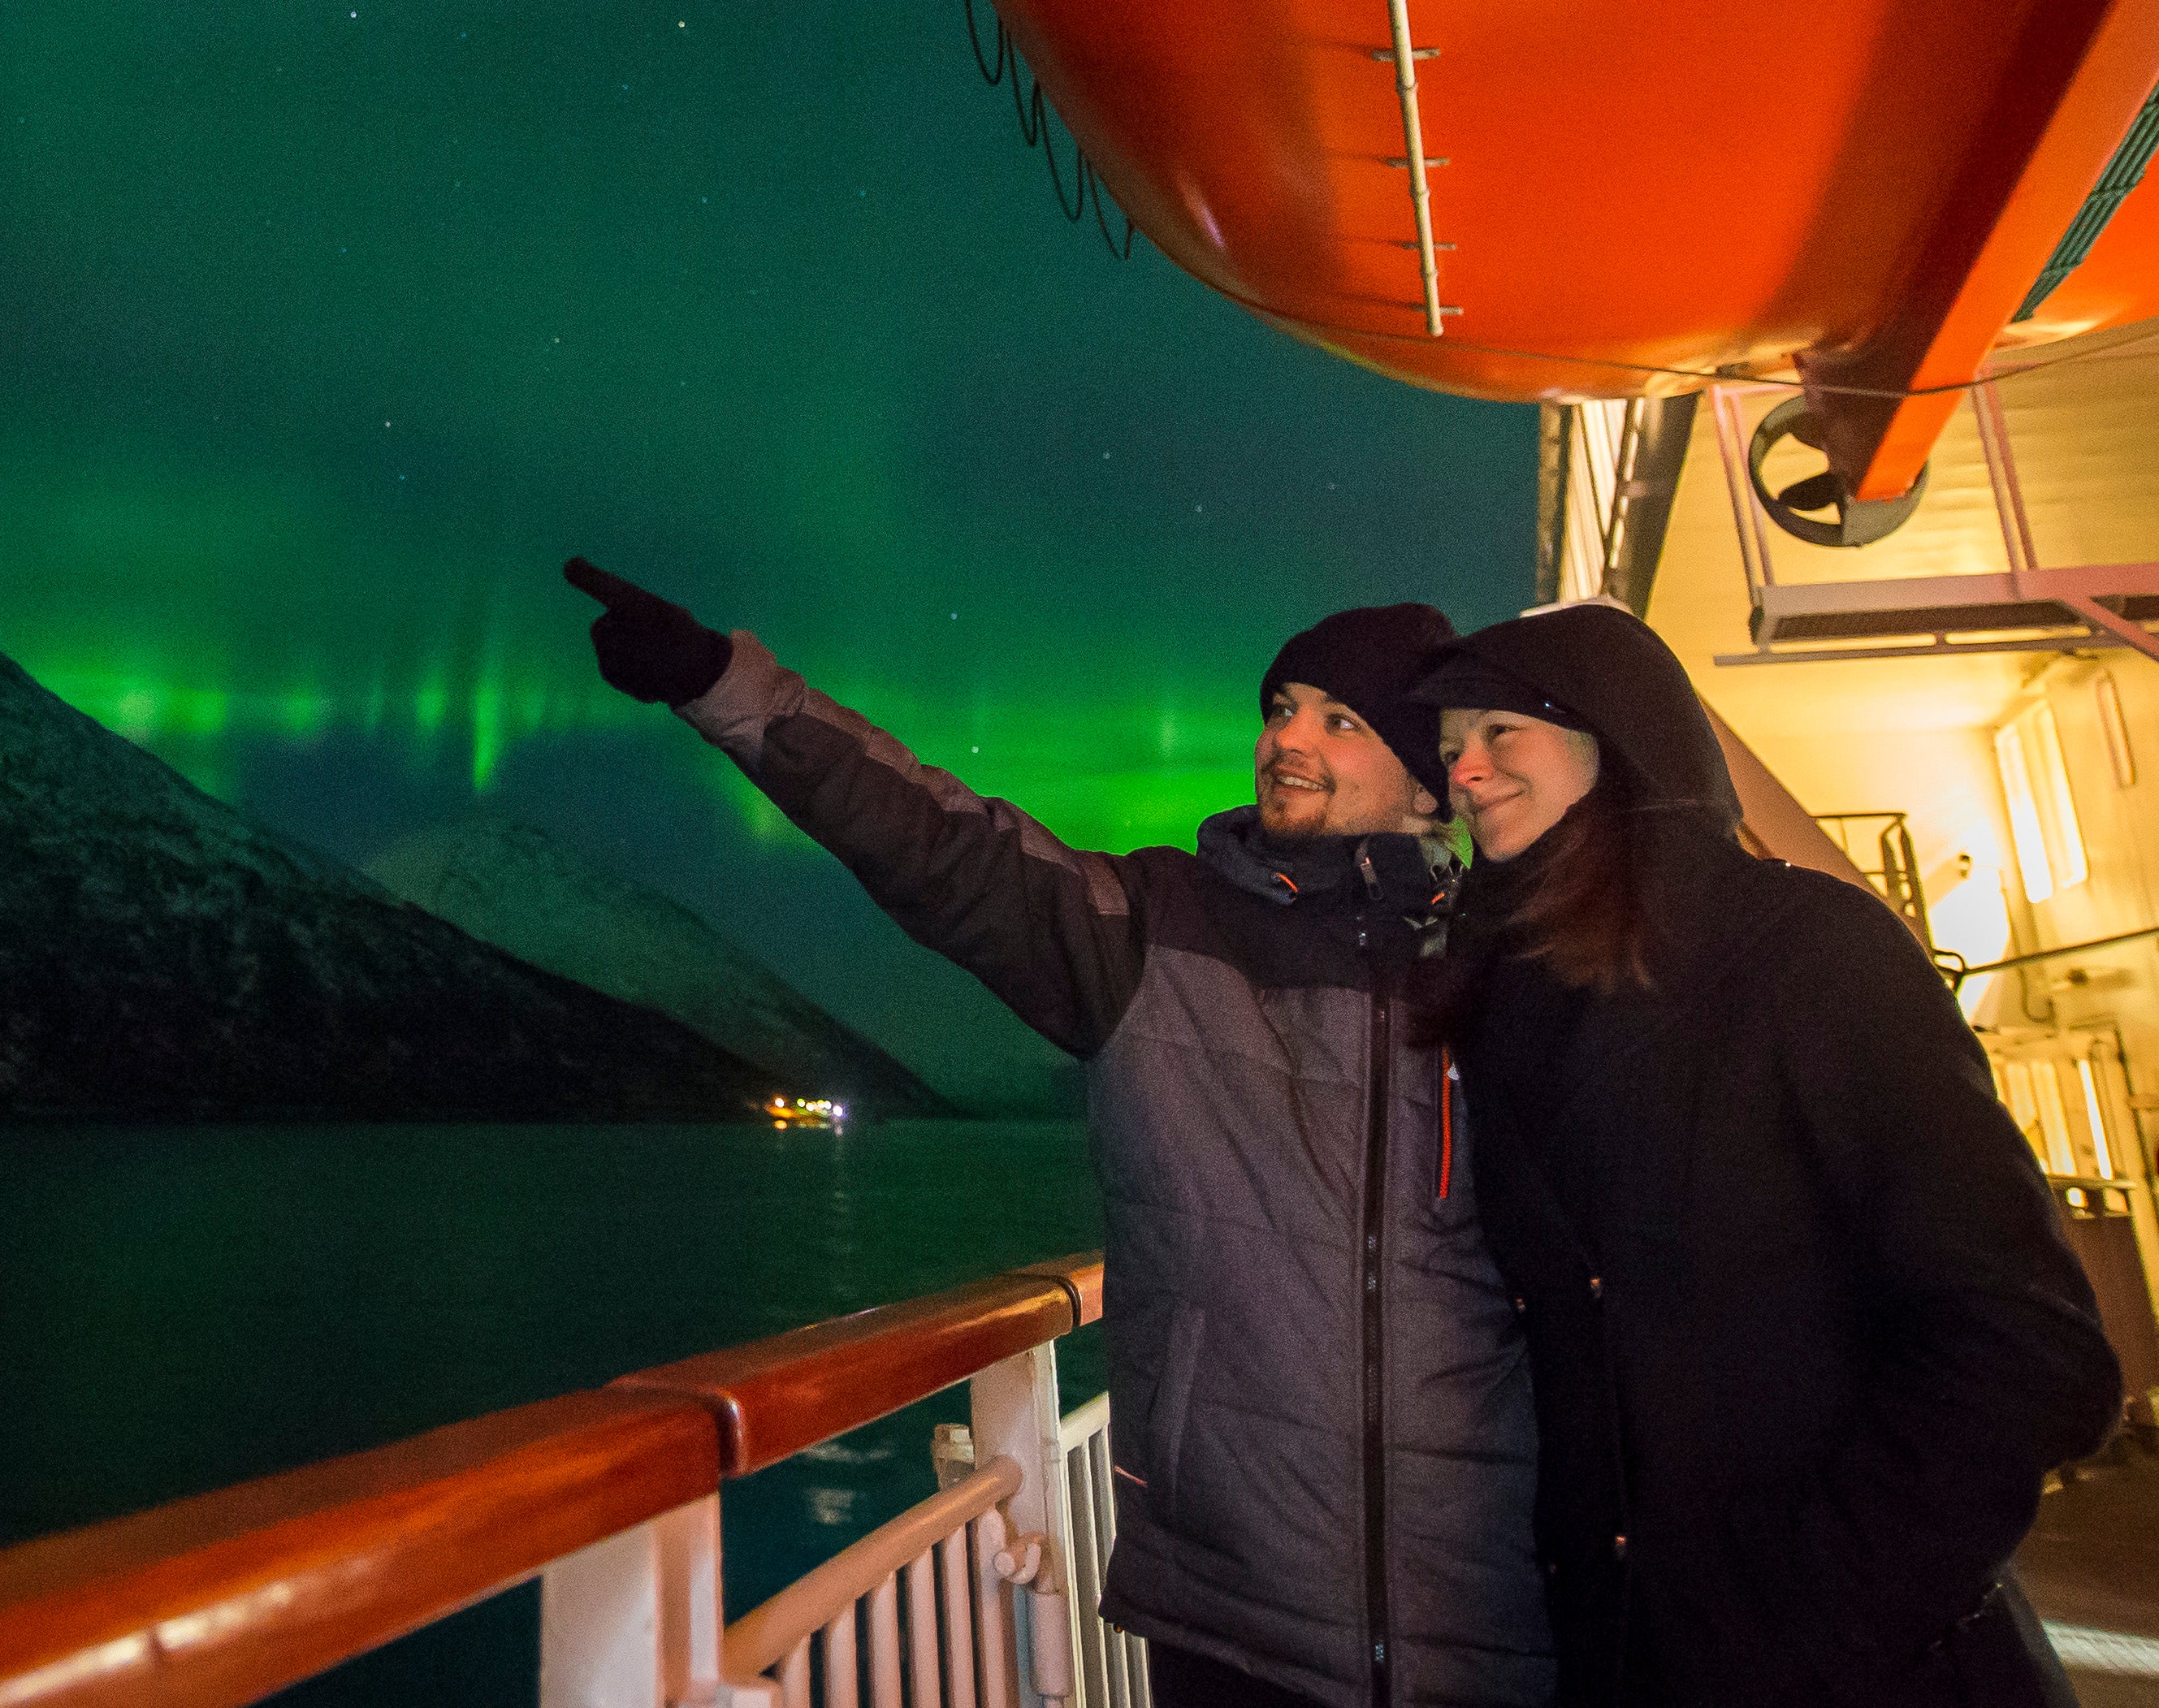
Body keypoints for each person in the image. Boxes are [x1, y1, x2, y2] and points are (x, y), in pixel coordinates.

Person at [565, 560, 1553, 1708]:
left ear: (1432, 789)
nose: (1290, 739)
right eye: (1280, 708)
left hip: (1491, 1609)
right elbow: (939, 843)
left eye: (1340, 721)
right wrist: (724, 686)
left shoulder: (1514, 963)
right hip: (1242, 1614)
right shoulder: (1153, 933)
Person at [1417, 603, 2122, 1708]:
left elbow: (2027, 1348)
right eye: (1454, 743)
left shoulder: (1809, 954)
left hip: (1867, 1667)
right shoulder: (1511, 1002)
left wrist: (1820, 1623)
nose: (1465, 768)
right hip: (1635, 1660)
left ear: (1620, 738)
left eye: (1504, 730)